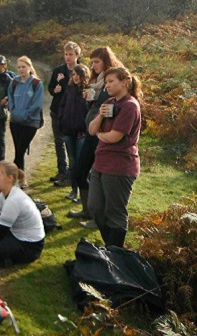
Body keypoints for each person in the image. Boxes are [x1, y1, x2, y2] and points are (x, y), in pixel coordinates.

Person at [68, 47, 124, 228]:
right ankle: (89, 211)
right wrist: (90, 98)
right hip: (92, 132)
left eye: (97, 62)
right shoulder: (98, 82)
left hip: (101, 136)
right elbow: (97, 107)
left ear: (106, 61)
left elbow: (118, 106)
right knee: (81, 172)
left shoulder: (112, 82)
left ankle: (96, 216)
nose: (93, 65)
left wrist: (97, 101)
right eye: (92, 62)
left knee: (88, 173)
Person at [87, 66, 142, 248]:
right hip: (101, 163)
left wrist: (100, 135)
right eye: (107, 82)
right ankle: (110, 248)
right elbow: (91, 129)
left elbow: (114, 137)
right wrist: (100, 117)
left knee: (115, 213)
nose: (107, 85)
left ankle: (114, 255)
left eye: (111, 82)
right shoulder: (110, 102)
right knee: (95, 208)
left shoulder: (130, 106)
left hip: (120, 166)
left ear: (124, 82)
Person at [49, 42, 81, 185]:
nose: (68, 57)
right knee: (58, 142)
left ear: (77, 55)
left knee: (70, 143)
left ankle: (71, 175)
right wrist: (55, 88)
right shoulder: (58, 70)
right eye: (66, 54)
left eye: (71, 54)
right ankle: (62, 171)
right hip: (57, 111)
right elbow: (50, 89)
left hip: (72, 114)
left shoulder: (81, 71)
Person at [58, 64, 90, 203]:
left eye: (78, 74)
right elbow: (62, 106)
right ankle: (73, 190)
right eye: (74, 74)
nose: (76, 77)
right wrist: (62, 121)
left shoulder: (88, 92)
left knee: (81, 165)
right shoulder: (69, 90)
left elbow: (90, 112)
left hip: (82, 133)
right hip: (68, 131)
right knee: (72, 163)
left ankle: (85, 194)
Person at [7, 56, 44, 176]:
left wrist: (25, 115)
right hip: (15, 121)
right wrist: (13, 111)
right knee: (19, 151)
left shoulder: (36, 84)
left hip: (30, 122)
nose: (21, 69)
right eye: (19, 67)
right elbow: (10, 99)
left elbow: (37, 104)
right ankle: (20, 178)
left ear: (29, 67)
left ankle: (12, 176)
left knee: (20, 150)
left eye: (24, 67)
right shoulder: (14, 82)